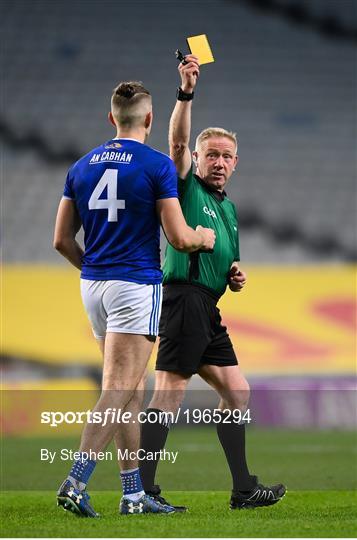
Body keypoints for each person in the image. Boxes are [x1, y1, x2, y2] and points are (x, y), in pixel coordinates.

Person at [53, 80, 215, 517]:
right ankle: (75, 481)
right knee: (120, 388)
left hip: (94, 286)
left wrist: (94, 268)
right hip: (134, 285)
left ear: (111, 119)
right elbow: (179, 238)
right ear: (148, 119)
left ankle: (133, 494)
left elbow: (61, 241)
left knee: (130, 391)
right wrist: (203, 237)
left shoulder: (81, 166)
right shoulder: (156, 165)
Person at [139, 57, 286, 510]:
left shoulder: (230, 209)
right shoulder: (186, 185)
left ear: (236, 163)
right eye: (212, 155)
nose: (219, 162)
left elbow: (227, 260)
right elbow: (177, 139)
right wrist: (186, 91)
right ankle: (142, 490)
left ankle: (243, 489)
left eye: (227, 156)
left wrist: (234, 274)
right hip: (182, 299)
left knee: (237, 391)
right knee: (169, 392)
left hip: (208, 307)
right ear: (197, 159)